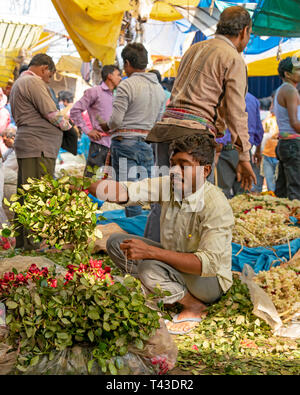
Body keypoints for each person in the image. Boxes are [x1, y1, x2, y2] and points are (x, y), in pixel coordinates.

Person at [88, 133, 234, 335]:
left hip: (208, 281)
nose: (174, 171)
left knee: (149, 266)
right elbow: (126, 192)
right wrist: (85, 184)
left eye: (184, 165)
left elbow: (205, 264)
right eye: (173, 164)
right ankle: (162, 290)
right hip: (174, 264)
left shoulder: (215, 204)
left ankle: (194, 305)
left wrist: (151, 252)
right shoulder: (169, 185)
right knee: (115, 242)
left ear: (205, 170)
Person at [143, 6, 255, 241]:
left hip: (166, 128)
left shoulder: (195, 48)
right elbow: (236, 111)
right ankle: (176, 266)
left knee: (164, 196)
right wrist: (244, 156)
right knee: (189, 202)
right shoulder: (232, 57)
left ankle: (148, 259)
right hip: (192, 136)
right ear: (245, 31)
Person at [9, 53, 73, 249]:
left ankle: (24, 243)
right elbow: (51, 113)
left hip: (34, 145)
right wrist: (69, 127)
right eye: (50, 76)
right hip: (38, 146)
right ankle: (31, 244)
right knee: (36, 195)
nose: (49, 80)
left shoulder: (23, 82)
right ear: (45, 68)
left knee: (28, 194)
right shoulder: (33, 82)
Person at [100, 43, 166, 218]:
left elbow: (115, 121)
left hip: (125, 144)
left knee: (129, 192)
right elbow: (158, 121)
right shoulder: (159, 89)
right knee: (147, 190)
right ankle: (147, 229)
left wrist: (105, 125)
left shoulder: (126, 85)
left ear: (127, 63)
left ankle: (134, 232)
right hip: (146, 144)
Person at [70, 65, 122, 177]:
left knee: (110, 182)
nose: (120, 78)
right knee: (92, 179)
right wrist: (87, 130)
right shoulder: (94, 92)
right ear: (109, 76)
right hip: (99, 144)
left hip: (115, 144)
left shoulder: (118, 95)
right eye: (118, 75)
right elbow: (75, 111)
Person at [216, 92, 264, 198]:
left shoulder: (224, 96)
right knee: (244, 192)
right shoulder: (253, 100)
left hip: (226, 151)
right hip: (246, 150)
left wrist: (218, 145)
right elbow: (259, 130)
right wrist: (257, 151)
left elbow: (221, 124)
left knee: (223, 192)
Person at [273, 57, 300, 200]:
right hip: (293, 144)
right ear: (287, 74)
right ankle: (295, 221)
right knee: (296, 188)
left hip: (286, 144)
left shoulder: (282, 90)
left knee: (283, 189)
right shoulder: (290, 90)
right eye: (297, 69)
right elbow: (295, 124)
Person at [260, 94, 279, 192]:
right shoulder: (268, 119)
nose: (272, 107)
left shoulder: (283, 120)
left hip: (278, 156)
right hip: (267, 154)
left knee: (278, 183)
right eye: (272, 104)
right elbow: (262, 134)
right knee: (269, 183)